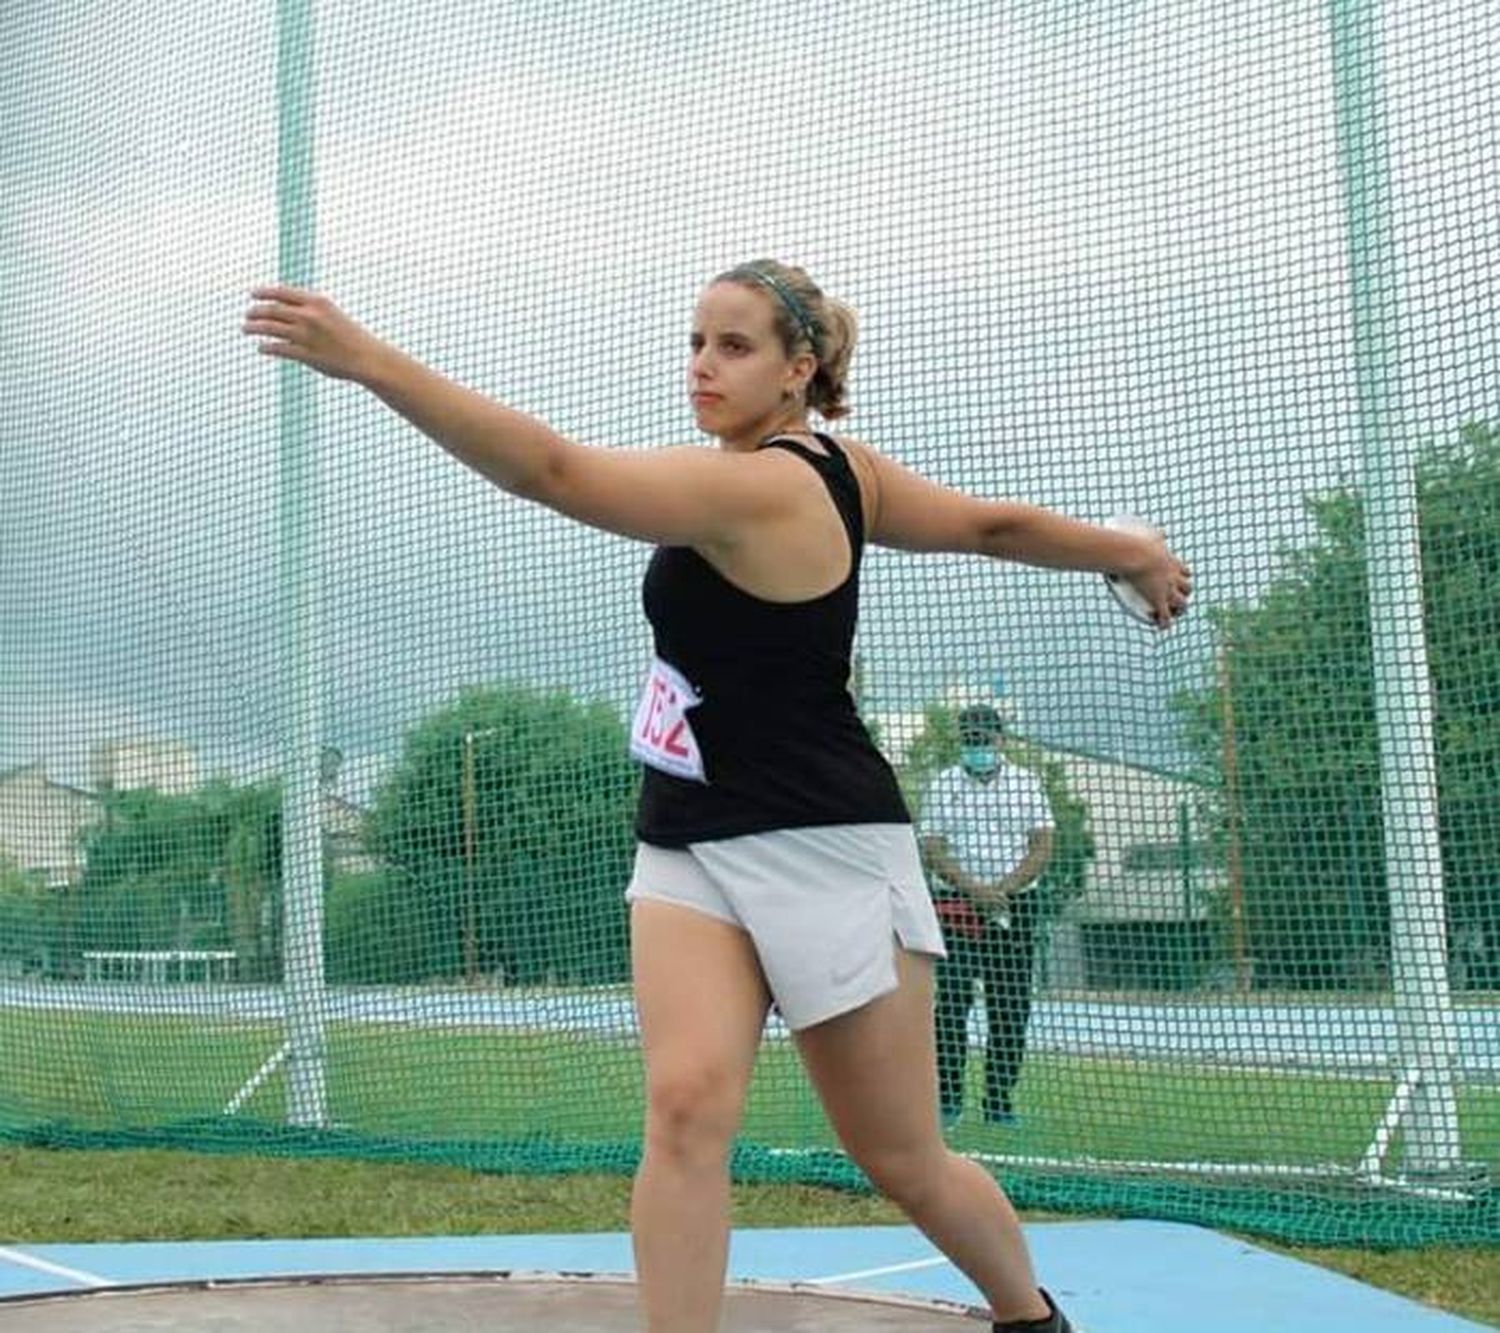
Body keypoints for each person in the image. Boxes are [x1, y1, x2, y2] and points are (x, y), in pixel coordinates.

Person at [241, 260, 1192, 1333]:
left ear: (801, 369)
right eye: (694, 342)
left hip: (830, 846)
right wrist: (1127, 550)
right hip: (690, 841)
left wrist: (367, 360)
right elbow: (993, 530)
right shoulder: (770, 473)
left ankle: (1029, 1318)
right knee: (687, 1109)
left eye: (733, 346)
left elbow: (554, 470)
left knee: (901, 1155)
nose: (703, 366)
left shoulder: (784, 482)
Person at [922, 704, 1054, 1129]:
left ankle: (998, 1101)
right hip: (955, 906)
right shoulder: (944, 785)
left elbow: (1042, 844)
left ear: (1001, 740)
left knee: (1010, 1006)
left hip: (1015, 908)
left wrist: (1004, 890)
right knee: (952, 1002)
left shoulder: (1026, 784)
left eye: (985, 739)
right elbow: (933, 846)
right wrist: (974, 890)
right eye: (971, 740)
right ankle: (947, 1099)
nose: (978, 747)